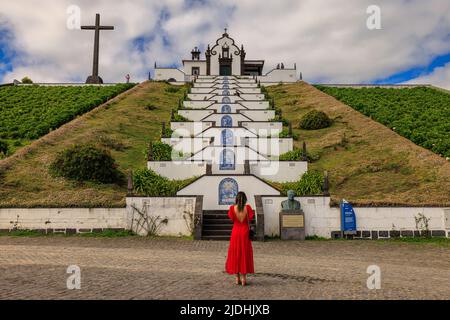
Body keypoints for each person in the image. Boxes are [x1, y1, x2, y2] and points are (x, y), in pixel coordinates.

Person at [225, 192, 255, 286]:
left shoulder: (232, 208)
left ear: (236, 199)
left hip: (236, 232)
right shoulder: (248, 208)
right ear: (245, 199)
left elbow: (233, 219)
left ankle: (237, 278)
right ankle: (244, 279)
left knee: (236, 253)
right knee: (244, 254)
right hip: (245, 232)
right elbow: (250, 219)